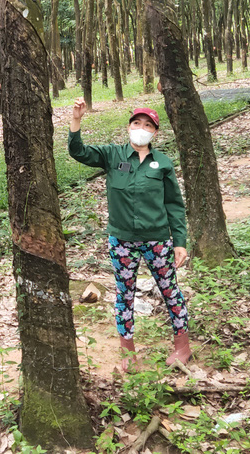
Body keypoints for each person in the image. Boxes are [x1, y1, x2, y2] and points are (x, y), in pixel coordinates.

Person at [67, 100, 192, 372]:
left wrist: (179, 242)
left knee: (170, 290)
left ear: (155, 133)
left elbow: (174, 204)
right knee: (125, 295)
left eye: (148, 125)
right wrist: (76, 120)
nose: (141, 129)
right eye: (137, 123)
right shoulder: (112, 155)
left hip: (157, 240)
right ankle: (128, 352)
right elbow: (77, 152)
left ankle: (182, 346)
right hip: (122, 242)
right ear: (129, 127)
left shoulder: (163, 164)